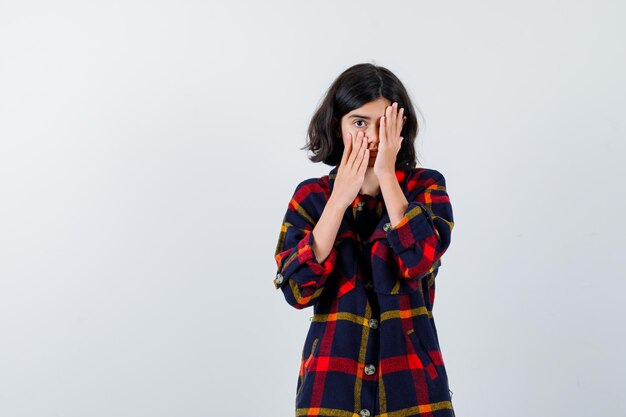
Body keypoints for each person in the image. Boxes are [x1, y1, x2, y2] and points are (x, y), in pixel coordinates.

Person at [273, 63, 456, 417]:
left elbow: (420, 259)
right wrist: (339, 199)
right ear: (338, 128)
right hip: (331, 386)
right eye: (359, 123)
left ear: (401, 126)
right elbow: (297, 290)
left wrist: (387, 175)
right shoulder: (311, 197)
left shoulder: (426, 187)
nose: (372, 136)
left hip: (413, 388)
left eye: (384, 123)